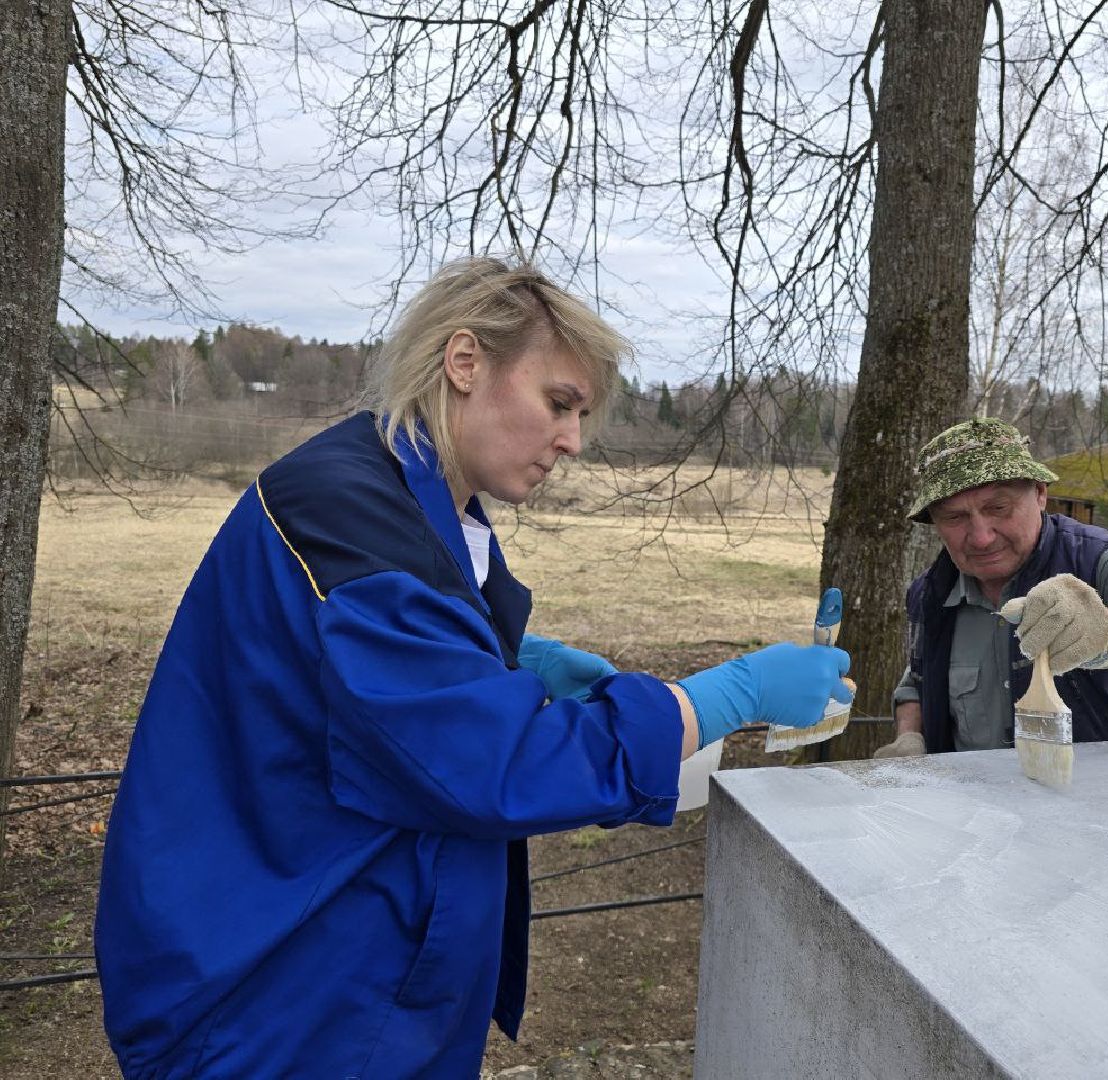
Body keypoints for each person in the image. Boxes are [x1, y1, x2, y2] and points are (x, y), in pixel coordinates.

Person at [94, 257, 851, 1078]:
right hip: (282, 988)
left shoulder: (409, 504)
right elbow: (492, 762)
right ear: (465, 363)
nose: (571, 440)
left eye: (582, 415)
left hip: (346, 966)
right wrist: (723, 695)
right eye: (558, 403)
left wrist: (512, 658)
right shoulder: (346, 511)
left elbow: (376, 669)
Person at [873, 417, 1108, 759]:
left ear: (1040, 494)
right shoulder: (929, 594)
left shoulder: (1099, 559)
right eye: (955, 517)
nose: (981, 537)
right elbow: (918, 678)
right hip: (974, 812)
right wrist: (910, 737)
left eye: (998, 508)